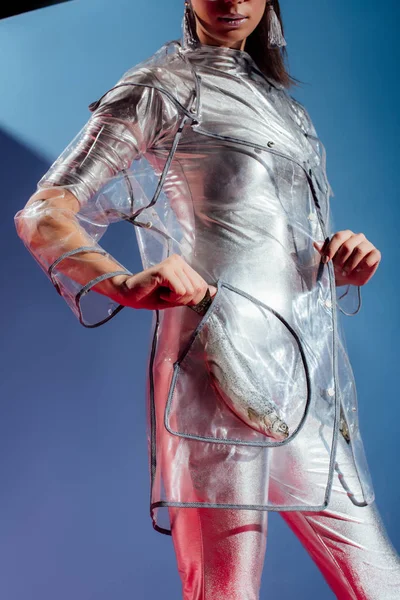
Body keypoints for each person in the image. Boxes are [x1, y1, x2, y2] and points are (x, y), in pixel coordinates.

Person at [14, 1, 400, 598]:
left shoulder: (288, 110)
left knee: (381, 583)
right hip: (212, 367)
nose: (232, 1)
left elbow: (270, 239)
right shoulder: (162, 85)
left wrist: (337, 260)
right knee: (225, 592)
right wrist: (120, 282)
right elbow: (47, 209)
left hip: (294, 378)